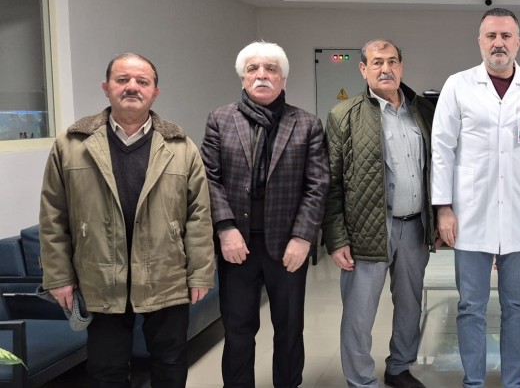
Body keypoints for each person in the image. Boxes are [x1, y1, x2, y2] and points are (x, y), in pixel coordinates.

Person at [39, 53, 214, 387]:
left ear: (155, 92)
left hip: (166, 275)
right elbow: (53, 215)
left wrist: (201, 274)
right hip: (100, 276)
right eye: (122, 80)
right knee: (106, 369)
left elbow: (199, 216)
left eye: (142, 82)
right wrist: (58, 276)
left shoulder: (180, 146)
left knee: (170, 363)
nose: (132, 87)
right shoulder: (72, 144)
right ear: (106, 88)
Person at [431, 8, 520, 388]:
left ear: (518, 42)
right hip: (469, 215)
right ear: (480, 42)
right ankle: (473, 381)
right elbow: (442, 149)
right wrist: (443, 208)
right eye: (491, 36)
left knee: (517, 306)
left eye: (506, 36)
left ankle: (513, 382)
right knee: (470, 306)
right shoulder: (458, 85)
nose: (498, 43)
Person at [201, 41, 329, 388]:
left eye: (271, 69)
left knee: (289, 329)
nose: (262, 75)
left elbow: (317, 184)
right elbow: (209, 179)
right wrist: (225, 228)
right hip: (237, 246)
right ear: (243, 78)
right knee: (238, 329)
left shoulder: (307, 124)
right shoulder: (220, 120)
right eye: (253, 69)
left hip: (288, 246)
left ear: (283, 79)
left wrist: (303, 238)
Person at [324, 39, 436, 388]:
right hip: (366, 230)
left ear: (401, 67)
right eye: (377, 62)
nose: (385, 69)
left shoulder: (423, 111)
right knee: (359, 312)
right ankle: (360, 380)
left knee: (410, 305)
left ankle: (399, 368)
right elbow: (331, 182)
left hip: (415, 227)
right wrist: (336, 239)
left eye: (392, 61)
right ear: (363, 69)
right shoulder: (343, 115)